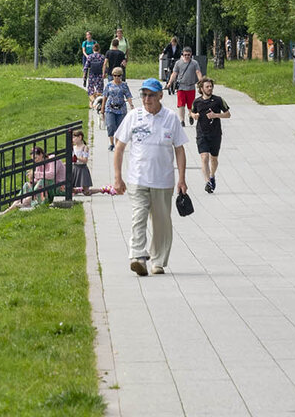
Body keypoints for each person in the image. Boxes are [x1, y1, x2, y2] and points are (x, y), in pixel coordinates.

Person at [112, 77, 189, 276]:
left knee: (162, 222)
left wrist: (182, 178)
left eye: (151, 95)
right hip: (138, 179)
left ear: (160, 96)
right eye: (144, 95)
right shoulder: (134, 116)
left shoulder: (171, 118)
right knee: (138, 217)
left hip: (163, 181)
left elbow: (179, 150)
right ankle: (137, 257)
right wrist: (118, 177)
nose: (147, 99)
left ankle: (158, 261)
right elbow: (119, 148)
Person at [190, 78, 231, 194]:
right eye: (207, 87)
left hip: (215, 134)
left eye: (211, 86)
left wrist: (216, 115)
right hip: (201, 133)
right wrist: (194, 115)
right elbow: (192, 112)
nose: (210, 89)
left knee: (214, 159)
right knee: (204, 157)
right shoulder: (197, 102)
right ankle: (207, 182)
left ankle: (212, 176)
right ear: (201, 89)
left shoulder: (218, 100)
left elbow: (228, 114)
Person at [5, 146, 67, 212]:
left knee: (41, 182)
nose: (35, 160)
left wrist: (34, 174)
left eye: (35, 158)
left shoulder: (52, 159)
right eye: (33, 159)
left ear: (41, 154)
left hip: (60, 187)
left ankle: (25, 203)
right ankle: (11, 207)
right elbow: (37, 179)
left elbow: (51, 175)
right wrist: (31, 180)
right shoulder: (38, 164)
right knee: (27, 185)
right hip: (47, 188)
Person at [166, 47, 202, 126]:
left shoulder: (194, 63)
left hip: (191, 87)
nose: (187, 56)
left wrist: (201, 82)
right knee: (181, 105)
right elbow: (174, 74)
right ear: (182, 54)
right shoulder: (178, 63)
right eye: (185, 55)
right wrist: (169, 83)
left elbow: (198, 72)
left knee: (190, 105)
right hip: (181, 87)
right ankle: (182, 120)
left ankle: (190, 115)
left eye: (188, 55)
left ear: (191, 54)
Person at [101, 67, 133, 151]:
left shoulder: (124, 85)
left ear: (121, 76)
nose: (117, 77)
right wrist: (102, 108)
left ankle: (117, 144)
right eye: (115, 75)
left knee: (120, 127)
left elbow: (128, 95)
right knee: (110, 125)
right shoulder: (109, 85)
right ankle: (111, 143)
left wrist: (131, 105)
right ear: (112, 76)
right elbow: (105, 96)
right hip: (110, 108)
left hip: (121, 108)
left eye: (118, 76)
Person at [70, 129, 93, 194]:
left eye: (74, 137)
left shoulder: (84, 147)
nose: (72, 139)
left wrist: (77, 158)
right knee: (70, 189)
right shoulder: (73, 147)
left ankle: (101, 190)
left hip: (82, 169)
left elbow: (85, 160)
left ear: (80, 137)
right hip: (74, 168)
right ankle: (78, 190)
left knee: (86, 192)